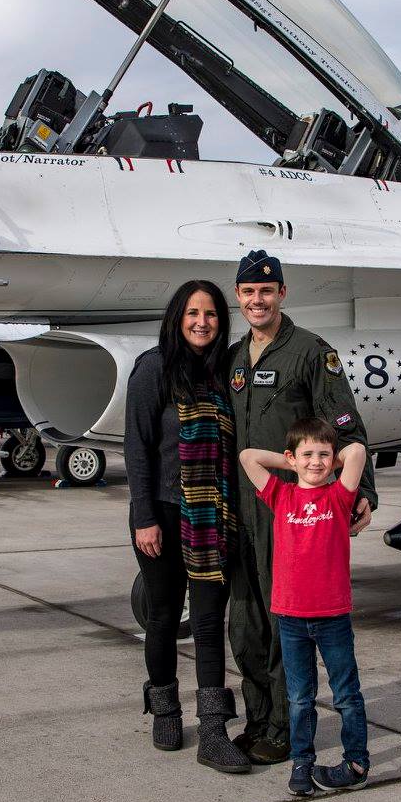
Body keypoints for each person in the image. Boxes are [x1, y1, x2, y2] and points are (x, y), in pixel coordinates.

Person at [225, 249, 376, 764]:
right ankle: (258, 720)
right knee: (245, 623)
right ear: (239, 297)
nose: (257, 299)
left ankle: (284, 730)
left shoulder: (311, 351)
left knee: (278, 620)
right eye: (248, 292)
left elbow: (345, 425)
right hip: (241, 509)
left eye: (266, 291)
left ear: (282, 294)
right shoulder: (232, 357)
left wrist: (364, 493)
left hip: (289, 515)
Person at [123, 279, 251, 774]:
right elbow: (137, 447)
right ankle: (166, 711)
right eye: (193, 313)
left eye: (212, 315)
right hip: (163, 510)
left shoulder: (226, 372)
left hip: (211, 517)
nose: (202, 322)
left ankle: (214, 732)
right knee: (162, 617)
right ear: (178, 317)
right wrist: (144, 518)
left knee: (206, 623)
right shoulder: (154, 368)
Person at [241, 418, 370, 795]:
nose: (316, 461)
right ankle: (302, 764)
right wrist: (293, 463)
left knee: (346, 694)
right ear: (291, 458)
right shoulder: (281, 496)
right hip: (292, 617)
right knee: (300, 698)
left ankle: (356, 762)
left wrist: (331, 462)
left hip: (332, 617)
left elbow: (358, 450)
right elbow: (249, 457)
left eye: (324, 455)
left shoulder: (339, 495)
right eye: (308, 455)